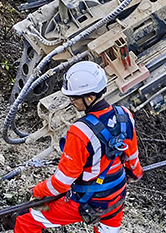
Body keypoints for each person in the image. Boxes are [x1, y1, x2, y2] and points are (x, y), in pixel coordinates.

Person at [14, 61, 143, 233]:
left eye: (74, 97)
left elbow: (62, 183)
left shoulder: (80, 132)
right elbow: (132, 157)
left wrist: (38, 190)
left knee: (26, 220)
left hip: (90, 199)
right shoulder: (124, 115)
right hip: (117, 196)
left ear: (89, 97)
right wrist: (134, 174)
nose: (71, 101)